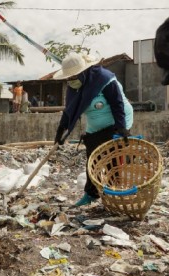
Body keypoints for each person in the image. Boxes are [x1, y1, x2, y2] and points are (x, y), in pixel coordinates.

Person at [53, 52, 133, 207]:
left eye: (73, 76)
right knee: (92, 156)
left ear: (83, 71)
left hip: (117, 118)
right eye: (68, 78)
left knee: (112, 158)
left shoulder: (104, 79)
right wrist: (61, 129)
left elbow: (117, 104)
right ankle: (91, 194)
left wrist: (121, 127)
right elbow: (70, 109)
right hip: (95, 123)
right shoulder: (73, 87)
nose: (70, 80)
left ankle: (113, 194)